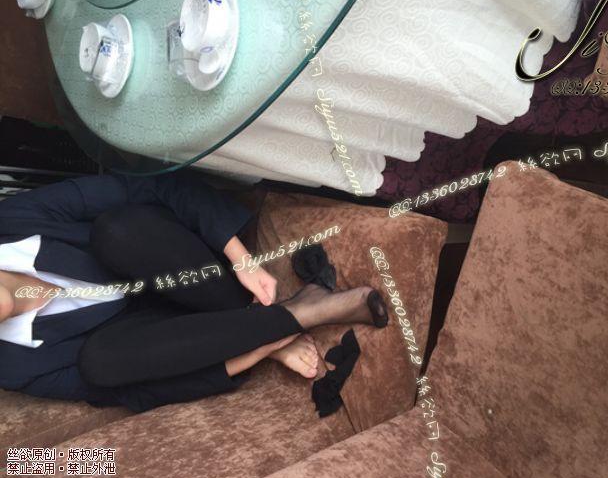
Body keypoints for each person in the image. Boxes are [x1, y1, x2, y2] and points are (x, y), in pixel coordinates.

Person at [0, 171, 388, 412]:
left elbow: (151, 185)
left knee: (116, 232)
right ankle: (299, 312)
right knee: (99, 365)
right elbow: (134, 392)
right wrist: (260, 349)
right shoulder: (12, 365)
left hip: (193, 266)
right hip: (179, 340)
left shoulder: (14, 220)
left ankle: (269, 318)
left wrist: (240, 258)